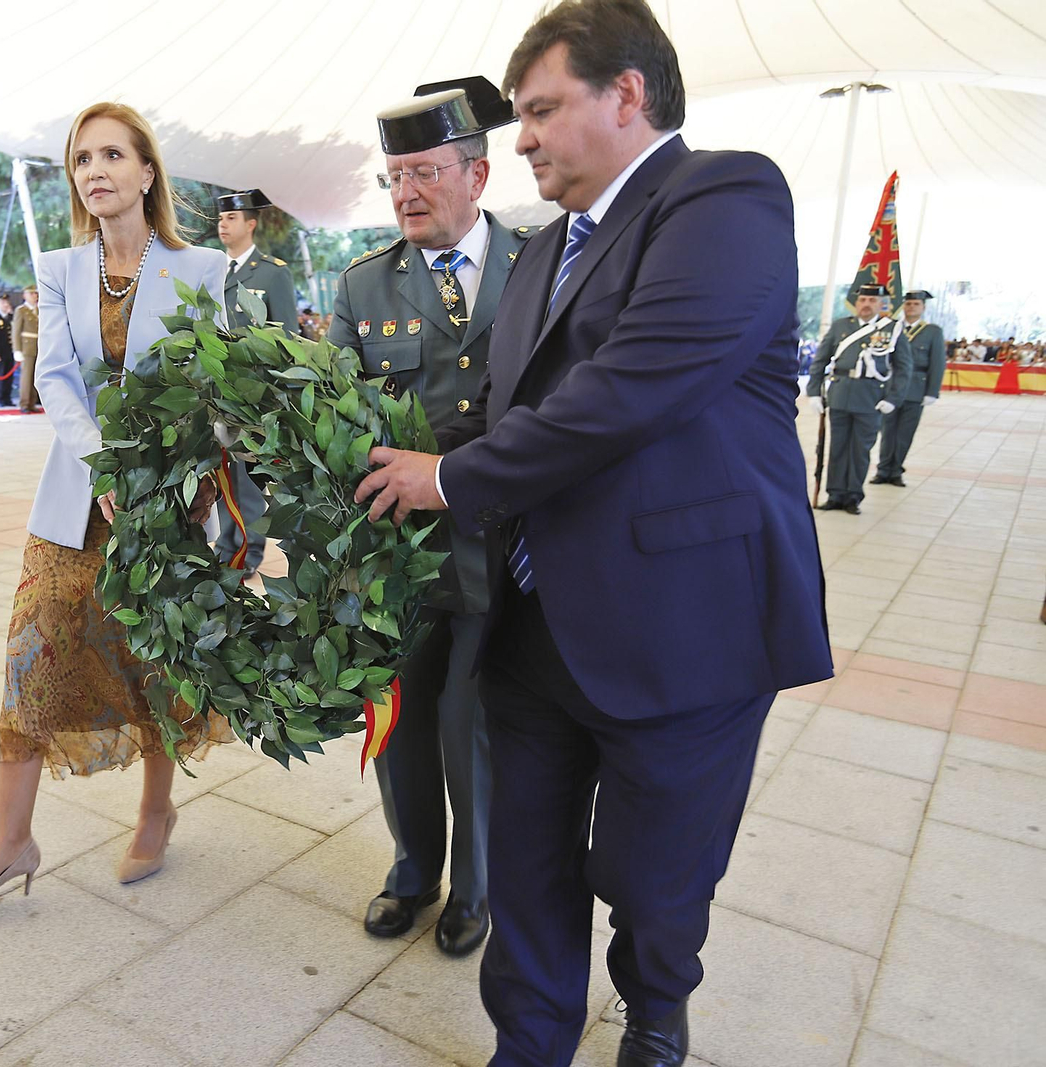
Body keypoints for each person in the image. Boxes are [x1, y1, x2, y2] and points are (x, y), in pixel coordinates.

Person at [353, 2, 834, 1062]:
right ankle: (528, 1042)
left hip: (686, 630)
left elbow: (632, 389)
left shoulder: (723, 194)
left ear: (627, 94)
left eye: (538, 110)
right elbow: (500, 412)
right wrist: (346, 452)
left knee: (655, 879)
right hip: (537, 623)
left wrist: (450, 477)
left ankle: (654, 1014)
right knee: (525, 866)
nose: (519, 137)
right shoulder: (539, 255)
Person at [0, 100, 230, 913]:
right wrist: (105, 464)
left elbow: (215, 385)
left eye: (109, 156)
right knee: (32, 655)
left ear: (146, 171)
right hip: (76, 498)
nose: (93, 171)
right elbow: (56, 379)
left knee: (161, 657)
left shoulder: (201, 271)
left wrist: (167, 473)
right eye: (80, 160)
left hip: (169, 501)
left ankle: (157, 808)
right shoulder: (60, 270)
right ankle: (9, 842)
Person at [327, 77, 531, 961]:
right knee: (403, 718)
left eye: (425, 171)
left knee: (473, 724)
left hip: (503, 545)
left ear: (477, 175)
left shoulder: (542, 267)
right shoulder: (364, 283)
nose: (406, 190)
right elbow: (333, 413)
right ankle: (413, 872)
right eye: (394, 174)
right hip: (397, 552)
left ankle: (477, 889)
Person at [213, 188, 300, 578]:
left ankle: (246, 555)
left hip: (255, 396)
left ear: (251, 223)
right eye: (220, 219)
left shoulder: (272, 272)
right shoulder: (214, 272)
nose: (223, 224)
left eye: (231, 218)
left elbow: (288, 339)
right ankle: (226, 547)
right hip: (217, 394)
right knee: (223, 476)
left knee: (248, 481)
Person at [807, 284, 911, 514]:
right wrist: (814, 391)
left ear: (880, 305)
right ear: (856, 302)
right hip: (840, 395)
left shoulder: (891, 330)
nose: (866, 304)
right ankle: (835, 494)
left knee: (860, 449)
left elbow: (904, 368)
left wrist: (893, 398)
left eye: (871, 301)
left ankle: (853, 496)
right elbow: (820, 360)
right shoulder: (840, 326)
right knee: (837, 447)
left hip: (871, 398)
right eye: (862, 299)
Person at [872, 288, 945, 487]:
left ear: (923, 308)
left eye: (916, 304)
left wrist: (932, 391)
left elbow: (937, 363)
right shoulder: (891, 328)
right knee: (887, 431)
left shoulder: (932, 332)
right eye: (908, 303)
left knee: (905, 432)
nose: (911, 307)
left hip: (915, 388)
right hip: (892, 387)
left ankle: (896, 471)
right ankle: (883, 469)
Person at [11, 285, 42, 412]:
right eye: (32, 293)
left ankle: (32, 403)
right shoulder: (21, 310)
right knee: (26, 377)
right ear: (25, 295)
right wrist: (17, 349)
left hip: (39, 346)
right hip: (27, 347)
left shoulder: (40, 309)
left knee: (36, 376)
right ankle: (24, 403)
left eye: (36, 293)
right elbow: (16, 331)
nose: (35, 296)